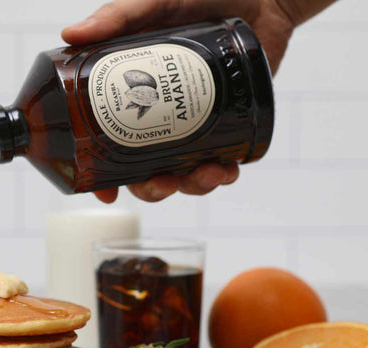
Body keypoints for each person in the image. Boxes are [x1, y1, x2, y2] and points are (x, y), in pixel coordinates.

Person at [62, 0, 338, 203]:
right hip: (243, 115)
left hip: (231, 58)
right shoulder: (62, 169)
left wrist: (275, 7)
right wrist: (277, 8)